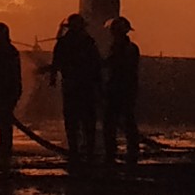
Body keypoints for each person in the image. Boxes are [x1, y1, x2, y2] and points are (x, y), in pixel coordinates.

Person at [48, 13, 101, 162]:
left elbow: (55, 62)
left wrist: (53, 78)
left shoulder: (69, 42)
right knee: (83, 120)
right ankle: (85, 149)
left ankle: (78, 150)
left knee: (77, 120)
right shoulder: (87, 42)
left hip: (77, 85)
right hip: (81, 85)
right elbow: (56, 61)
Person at [102, 16, 140, 164]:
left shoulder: (120, 48)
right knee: (127, 120)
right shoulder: (130, 48)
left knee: (111, 121)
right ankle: (131, 149)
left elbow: (113, 64)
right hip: (127, 88)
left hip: (119, 88)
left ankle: (112, 152)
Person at [0, 22, 22, 169]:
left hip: (7, 90)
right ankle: (5, 146)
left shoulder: (2, 51)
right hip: (6, 90)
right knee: (3, 119)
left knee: (3, 119)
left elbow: (10, 74)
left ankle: (5, 147)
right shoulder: (10, 50)